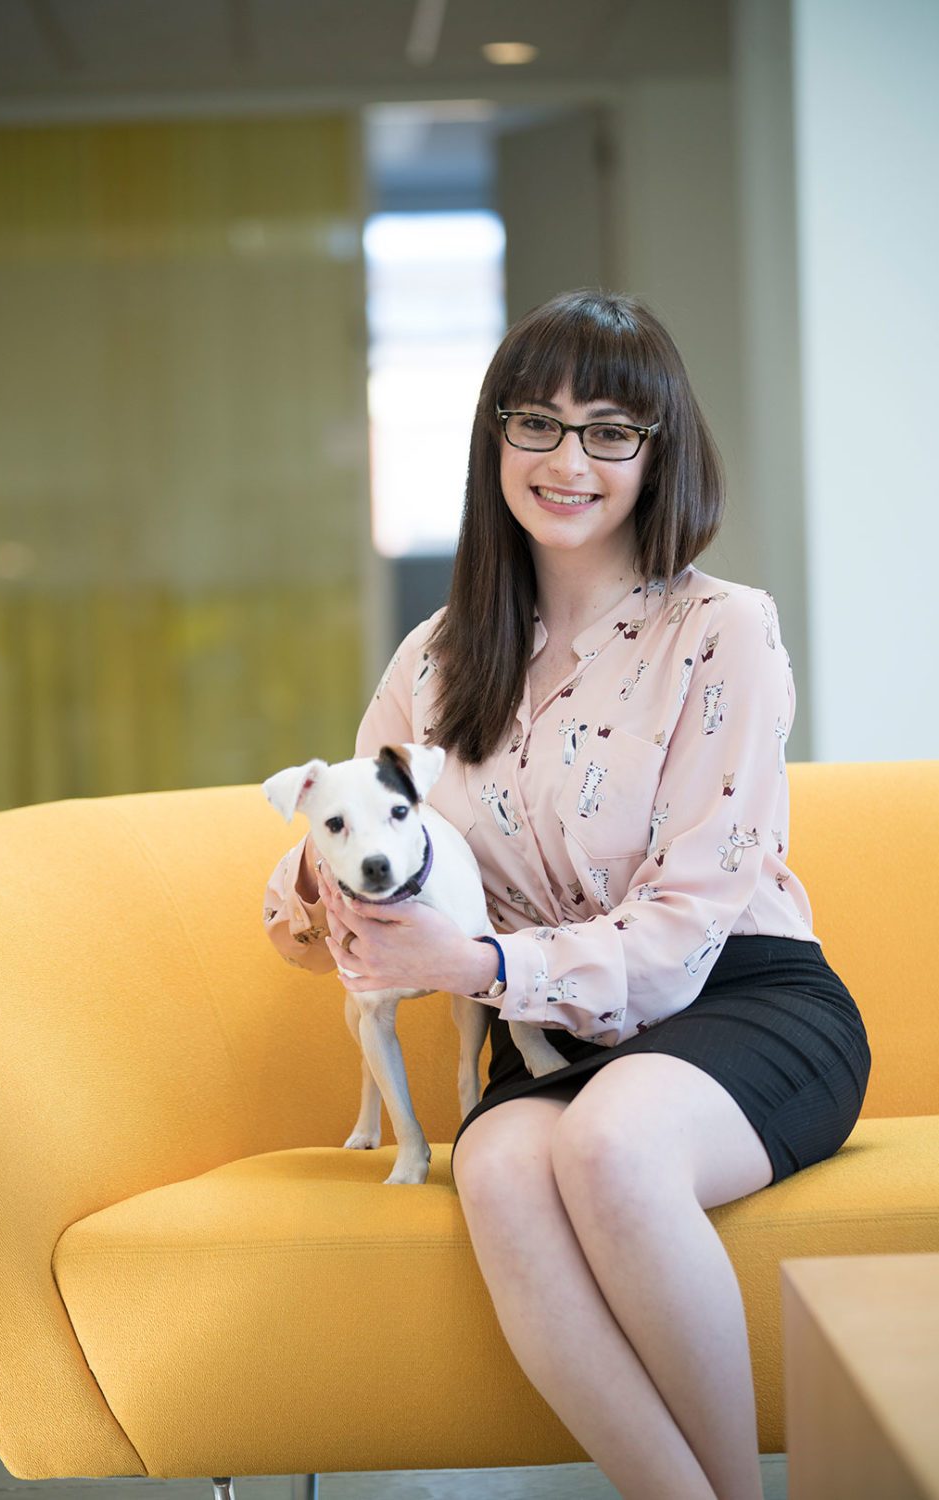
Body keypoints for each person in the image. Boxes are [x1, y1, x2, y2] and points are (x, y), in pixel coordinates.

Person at [263, 288, 872, 1500]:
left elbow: (694, 914)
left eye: (609, 431)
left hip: (738, 998)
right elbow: (341, 862)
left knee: (607, 1148)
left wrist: (477, 968)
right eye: (534, 423)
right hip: (539, 1037)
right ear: (494, 440)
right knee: (496, 1171)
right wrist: (326, 891)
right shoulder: (437, 656)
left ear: (658, 452)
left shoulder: (723, 631)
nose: (565, 460)